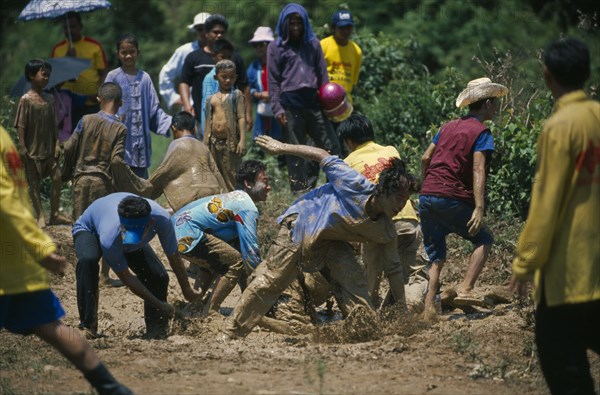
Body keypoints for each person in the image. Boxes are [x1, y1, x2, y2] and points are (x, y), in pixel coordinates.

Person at [225, 135, 419, 338]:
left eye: (406, 199)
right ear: (384, 191)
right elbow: (321, 155)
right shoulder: (354, 183)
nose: (401, 206)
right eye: (399, 198)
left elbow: (394, 271)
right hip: (303, 222)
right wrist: (281, 147)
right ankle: (231, 332)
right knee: (271, 280)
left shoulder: (386, 231)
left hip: (331, 241)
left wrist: (403, 311)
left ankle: (361, 332)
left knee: (355, 282)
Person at [0, 125, 132, 395]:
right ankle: (113, 389)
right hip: (18, 263)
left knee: (53, 328)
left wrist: (39, 247)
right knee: (53, 328)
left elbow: (6, 202)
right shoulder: (3, 136)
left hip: (10, 259)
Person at [510, 38, 599, 395]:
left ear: (547, 76)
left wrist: (525, 263)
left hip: (569, 278)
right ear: (588, 72)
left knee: (566, 372)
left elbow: (547, 203)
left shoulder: (559, 126)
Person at [419, 77, 508, 321]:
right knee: (484, 238)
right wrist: (479, 207)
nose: (497, 107)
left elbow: (426, 158)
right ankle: (466, 289)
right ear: (487, 104)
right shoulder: (482, 131)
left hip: (427, 196)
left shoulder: (447, 126)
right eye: (495, 103)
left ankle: (429, 309)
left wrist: (426, 183)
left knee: (435, 257)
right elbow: (478, 168)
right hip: (453, 197)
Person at [72, 193, 201, 339]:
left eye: (135, 232)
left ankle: (156, 330)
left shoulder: (162, 219)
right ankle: (87, 326)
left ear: (150, 223)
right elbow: (127, 277)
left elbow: (173, 255)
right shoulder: (111, 235)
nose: (128, 236)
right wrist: (160, 304)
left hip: (117, 232)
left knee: (158, 276)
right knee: (87, 261)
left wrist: (186, 289)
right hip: (90, 229)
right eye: (126, 230)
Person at [61, 82, 151, 287]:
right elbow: (117, 161)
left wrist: (67, 172)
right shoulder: (119, 127)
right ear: (120, 102)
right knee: (107, 227)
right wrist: (132, 182)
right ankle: (104, 275)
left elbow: (68, 147)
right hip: (103, 183)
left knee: (81, 226)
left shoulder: (86, 119)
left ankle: (83, 273)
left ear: (99, 99)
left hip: (81, 180)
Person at [340, 113, 429, 311]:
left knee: (371, 278)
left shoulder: (347, 162)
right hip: (408, 218)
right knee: (415, 273)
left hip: (376, 224)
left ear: (348, 141)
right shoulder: (390, 150)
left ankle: (369, 312)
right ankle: (409, 304)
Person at [171, 160, 271, 315]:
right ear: (248, 183)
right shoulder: (246, 206)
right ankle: (211, 311)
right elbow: (251, 254)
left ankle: (193, 307)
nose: (269, 187)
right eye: (265, 182)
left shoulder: (233, 198)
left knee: (218, 260)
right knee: (235, 262)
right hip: (188, 235)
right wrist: (264, 286)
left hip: (174, 234)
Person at [268, 3, 341, 193]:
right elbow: (273, 81)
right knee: (295, 150)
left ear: (304, 23)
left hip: (314, 102)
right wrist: (277, 108)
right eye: (291, 23)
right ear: (284, 24)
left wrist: (329, 102)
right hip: (290, 104)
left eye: (299, 23)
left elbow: (323, 75)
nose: (295, 27)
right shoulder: (275, 47)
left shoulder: (313, 43)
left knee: (330, 145)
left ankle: (339, 185)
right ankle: (300, 192)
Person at [105, 34, 172, 179]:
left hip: (141, 141)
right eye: (124, 52)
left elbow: (154, 109)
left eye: (132, 52)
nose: (128, 56)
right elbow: (106, 106)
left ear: (138, 52)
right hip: (120, 139)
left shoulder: (145, 78)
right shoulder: (113, 76)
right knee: (118, 177)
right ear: (118, 54)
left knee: (140, 183)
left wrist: (170, 123)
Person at [14, 59, 70, 227]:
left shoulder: (49, 98)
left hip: (48, 148)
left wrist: (57, 144)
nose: (46, 78)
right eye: (43, 74)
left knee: (57, 177)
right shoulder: (26, 99)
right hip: (32, 149)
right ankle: (40, 214)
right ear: (32, 76)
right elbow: (21, 125)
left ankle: (55, 214)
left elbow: (54, 124)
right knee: (34, 183)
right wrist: (22, 146)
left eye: (48, 75)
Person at [179, 14, 252, 134]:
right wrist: (187, 106)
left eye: (222, 32)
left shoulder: (235, 59)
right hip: (200, 117)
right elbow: (184, 82)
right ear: (206, 33)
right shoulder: (194, 58)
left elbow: (244, 86)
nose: (219, 35)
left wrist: (248, 113)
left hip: (229, 121)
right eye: (215, 32)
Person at [149, 111, 228, 212]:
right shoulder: (203, 147)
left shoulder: (176, 145)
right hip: (213, 200)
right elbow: (217, 174)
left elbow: (162, 174)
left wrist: (143, 192)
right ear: (194, 130)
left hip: (191, 202)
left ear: (173, 129)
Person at [50, 12, 108, 131]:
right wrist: (67, 59)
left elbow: (104, 72)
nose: (69, 30)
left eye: (73, 26)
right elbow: (53, 79)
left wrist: (99, 92)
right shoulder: (58, 49)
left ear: (81, 27)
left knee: (91, 138)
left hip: (91, 102)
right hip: (65, 104)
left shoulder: (94, 46)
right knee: (69, 141)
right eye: (66, 27)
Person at [203, 60, 247, 191]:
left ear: (236, 77)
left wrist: (243, 140)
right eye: (224, 77)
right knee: (215, 174)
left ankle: (235, 203)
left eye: (231, 77)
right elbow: (207, 122)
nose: (228, 80)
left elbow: (241, 117)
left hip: (230, 143)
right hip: (214, 143)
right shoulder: (211, 99)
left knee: (231, 174)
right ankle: (219, 204)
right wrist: (205, 143)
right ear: (216, 77)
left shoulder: (237, 95)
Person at [159, 12, 211, 110]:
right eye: (200, 29)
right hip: (191, 110)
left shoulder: (221, 51)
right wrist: (174, 98)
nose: (203, 32)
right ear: (195, 30)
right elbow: (165, 74)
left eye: (206, 27)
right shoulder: (185, 51)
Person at [247, 26, 281, 141]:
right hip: (262, 111)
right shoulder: (254, 66)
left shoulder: (280, 63)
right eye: (255, 45)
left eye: (262, 44)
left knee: (280, 143)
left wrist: (274, 95)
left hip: (279, 112)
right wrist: (259, 94)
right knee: (260, 142)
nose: (258, 48)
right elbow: (248, 87)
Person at [200, 39, 235, 133]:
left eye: (229, 57)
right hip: (215, 129)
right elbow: (206, 106)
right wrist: (207, 131)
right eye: (223, 57)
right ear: (213, 57)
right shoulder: (210, 78)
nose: (226, 61)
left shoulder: (231, 78)